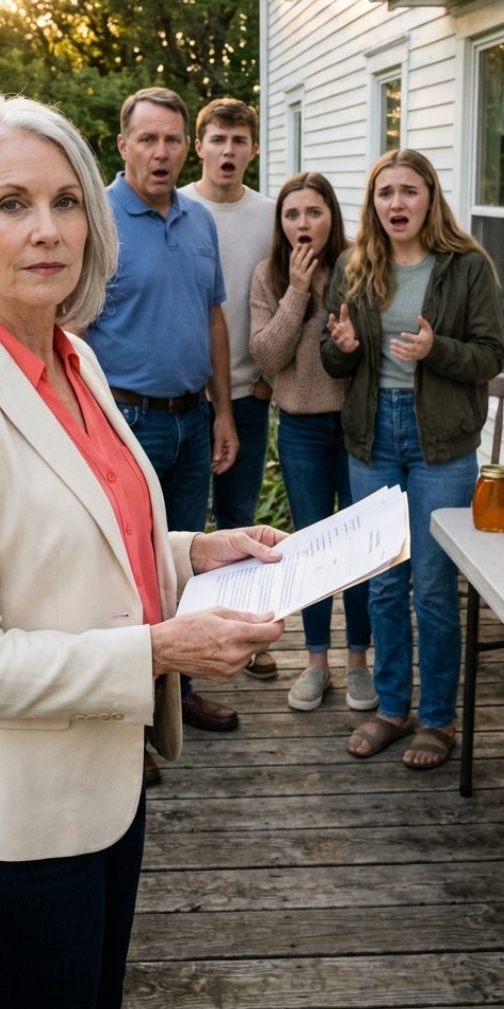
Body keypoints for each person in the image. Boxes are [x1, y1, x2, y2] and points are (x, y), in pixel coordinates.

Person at [0, 96, 285, 1009]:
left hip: (107, 781)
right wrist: (159, 652)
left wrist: (197, 550)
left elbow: (91, 539)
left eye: (64, 200)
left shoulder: (73, 356)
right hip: (17, 823)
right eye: (11, 202)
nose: (48, 228)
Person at [321, 148, 504, 769]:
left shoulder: (466, 267)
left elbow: (488, 356)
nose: (395, 203)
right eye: (384, 193)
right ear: (372, 204)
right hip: (374, 438)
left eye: (408, 191)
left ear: (430, 197)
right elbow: (333, 356)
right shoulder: (354, 264)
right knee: (383, 584)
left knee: (431, 588)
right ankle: (392, 710)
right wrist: (342, 347)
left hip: (441, 443)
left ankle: (438, 721)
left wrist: (436, 349)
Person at [86, 86, 243, 745]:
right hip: (123, 421)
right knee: (120, 573)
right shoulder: (95, 220)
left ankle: (177, 693)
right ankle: (126, 724)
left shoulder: (198, 218)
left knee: (180, 567)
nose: (160, 152)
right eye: (146, 139)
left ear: (187, 147)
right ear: (122, 145)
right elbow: (70, 330)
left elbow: (212, 321)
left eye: (172, 140)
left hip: (188, 420)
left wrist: (222, 413)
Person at [249, 172, 377, 713]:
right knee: (313, 545)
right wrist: (297, 293)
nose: (304, 224)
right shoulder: (268, 275)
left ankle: (359, 663)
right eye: (293, 214)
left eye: (315, 212)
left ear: (333, 217)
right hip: (300, 427)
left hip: (354, 426)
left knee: (361, 548)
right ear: (281, 223)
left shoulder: (359, 267)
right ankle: (317, 661)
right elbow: (266, 356)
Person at [180, 97, 278, 681]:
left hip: (247, 394)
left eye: (239, 141)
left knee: (242, 524)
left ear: (253, 150)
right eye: (218, 139)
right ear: (200, 146)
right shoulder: (181, 209)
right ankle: (191, 644)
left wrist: (269, 378)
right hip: (190, 399)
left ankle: (250, 635)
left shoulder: (269, 215)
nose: (228, 150)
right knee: (189, 530)